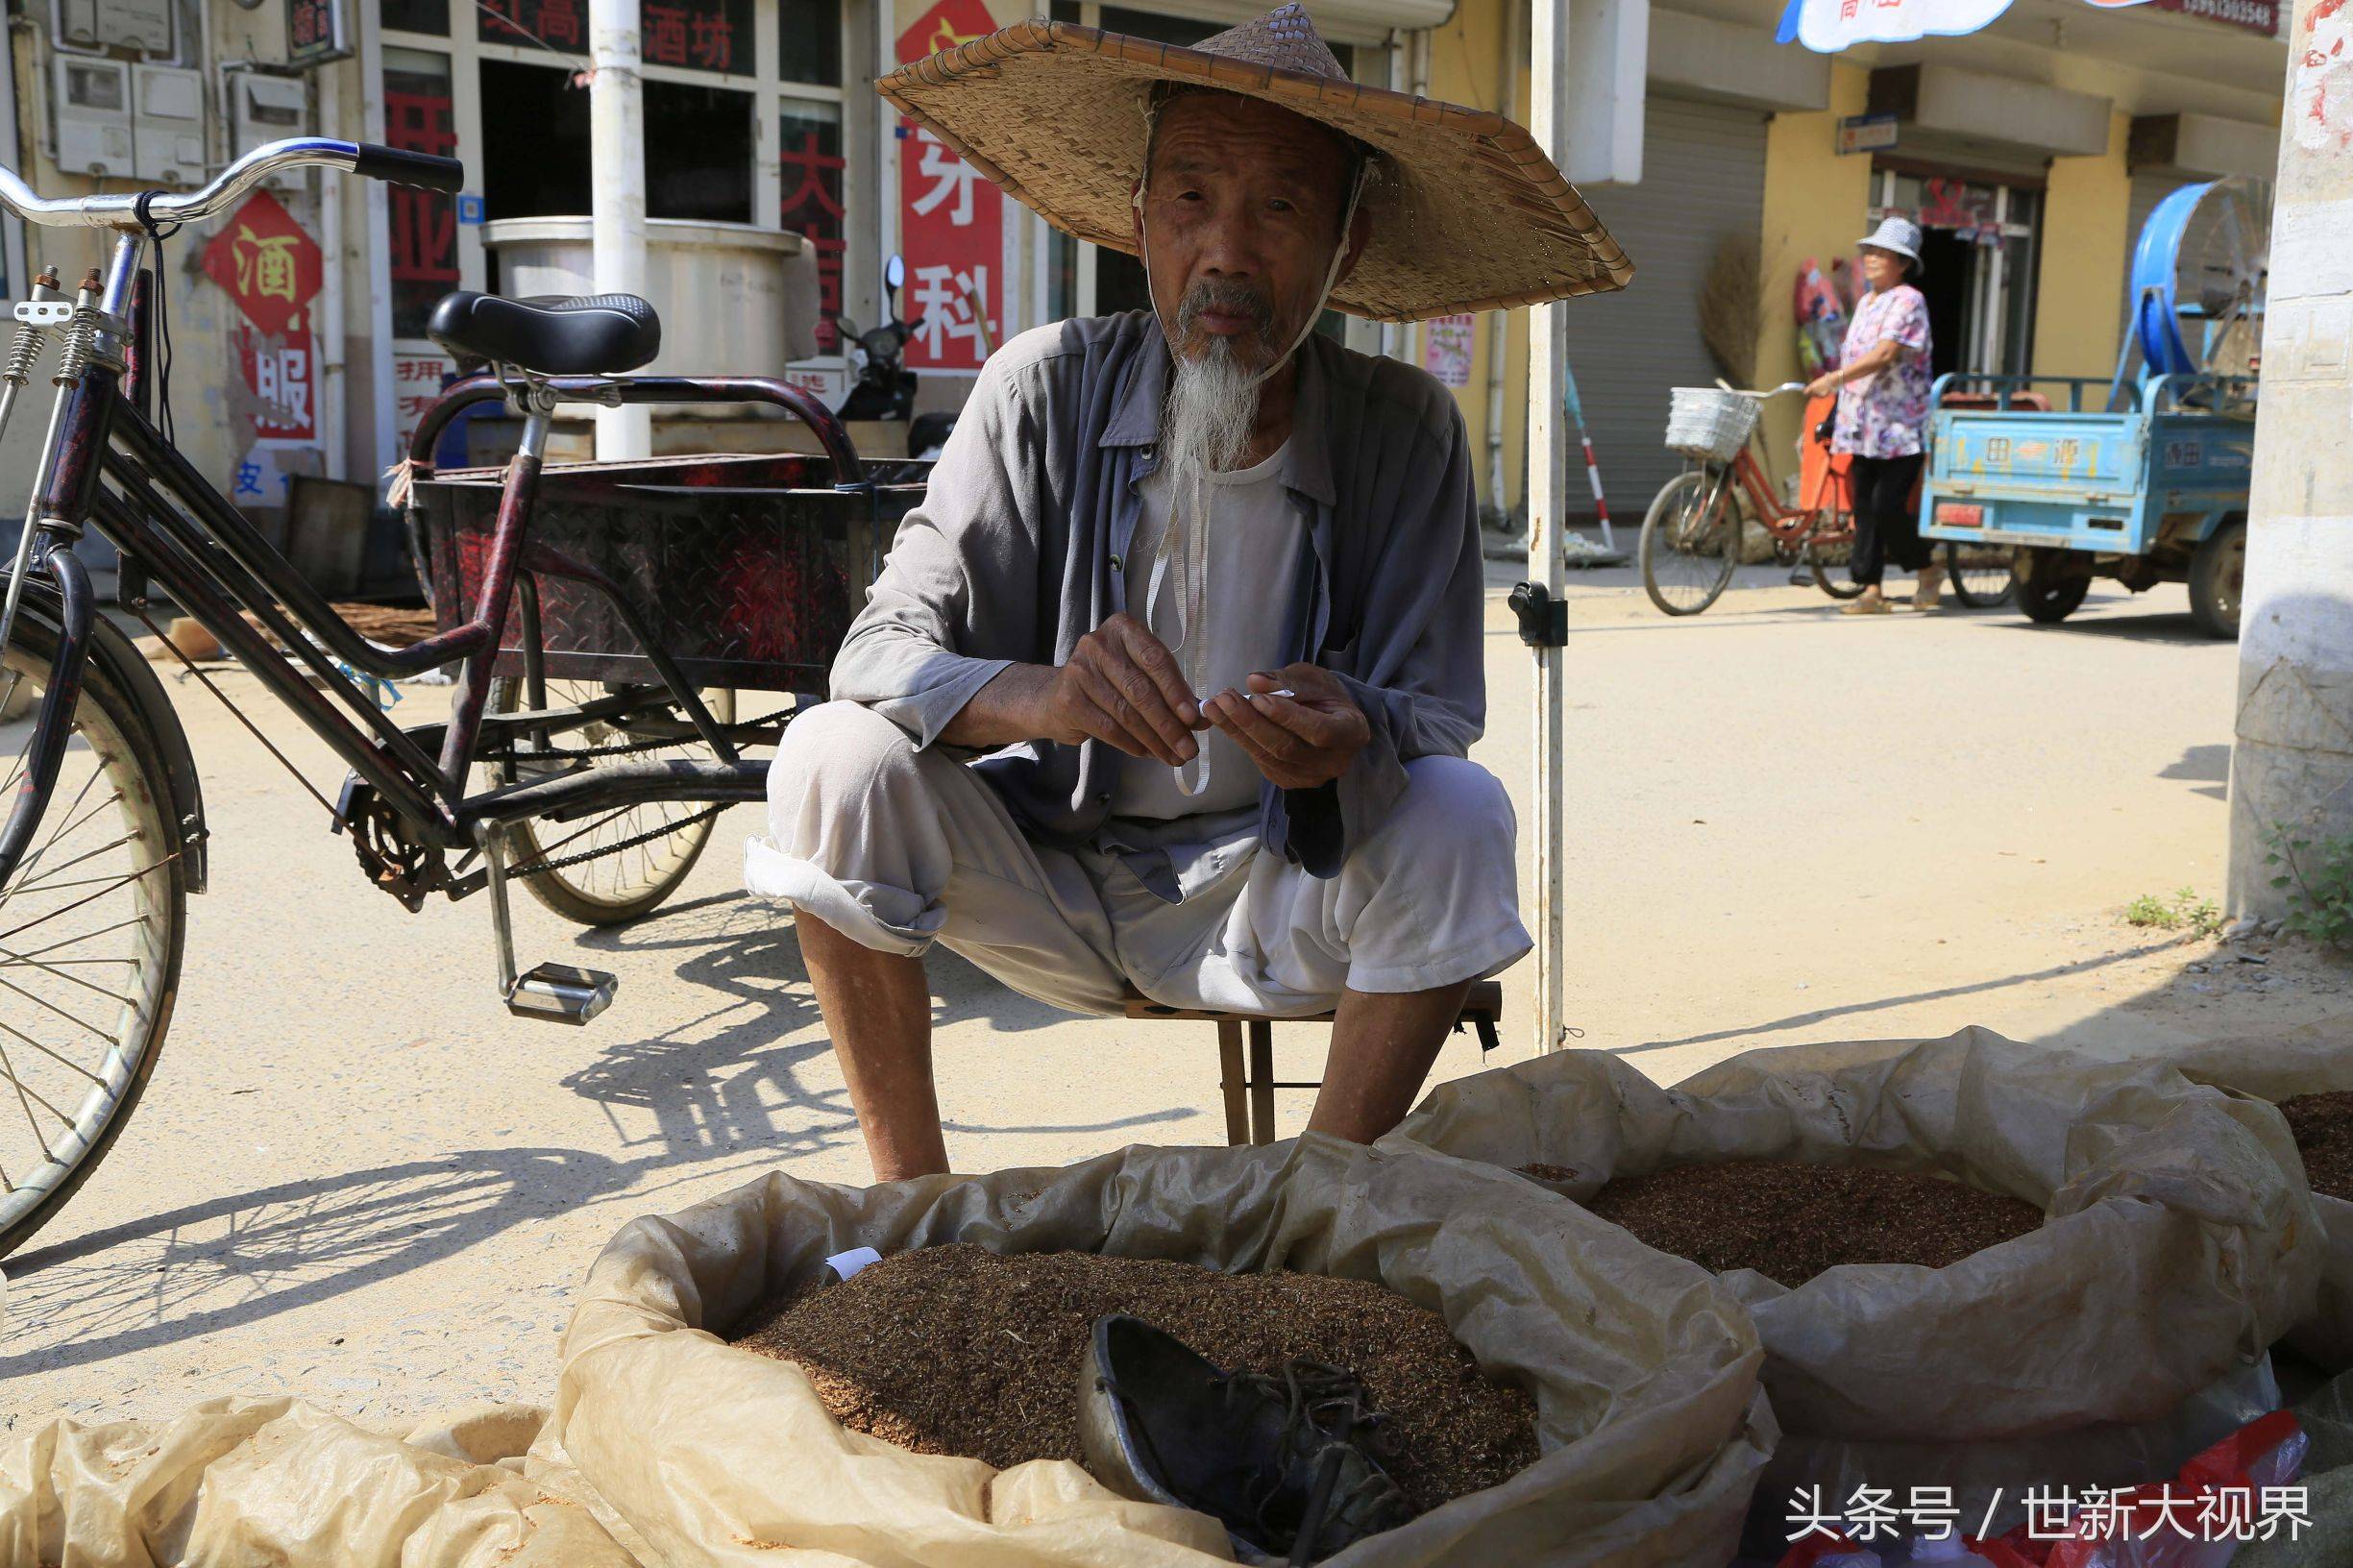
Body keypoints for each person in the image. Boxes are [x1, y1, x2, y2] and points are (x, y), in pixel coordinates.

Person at [742, 4, 1630, 1179]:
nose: (1227, 251)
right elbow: (877, 651)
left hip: (1274, 889)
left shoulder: (1401, 429)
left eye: (1280, 208)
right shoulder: (1039, 390)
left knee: (1462, 813)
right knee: (829, 757)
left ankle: (1317, 1208)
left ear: (1345, 249)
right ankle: (916, 1216)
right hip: (1049, 872)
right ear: (1137, 220)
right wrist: (1045, 698)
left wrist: (1345, 733)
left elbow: (1436, 714)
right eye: (1192, 199)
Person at [1806, 217, 1939, 615]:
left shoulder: (1909, 300)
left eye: (1880, 253)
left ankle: (1925, 568)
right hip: (1862, 424)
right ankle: (1871, 590)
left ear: (1901, 262)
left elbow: (1883, 354)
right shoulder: (1866, 302)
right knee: (1862, 506)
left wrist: (1833, 378)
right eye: (1870, 252)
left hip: (1899, 427)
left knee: (1887, 506)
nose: (1871, 259)